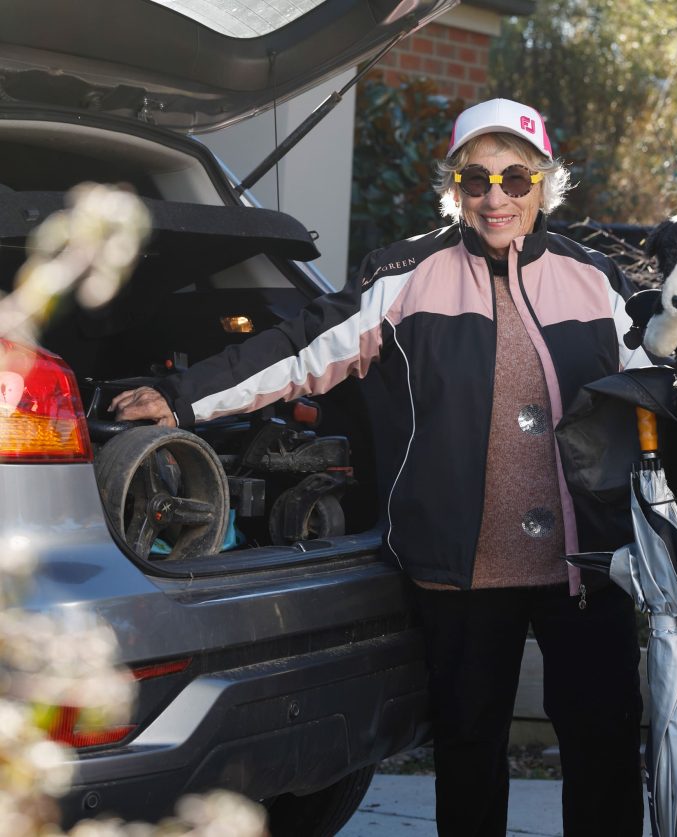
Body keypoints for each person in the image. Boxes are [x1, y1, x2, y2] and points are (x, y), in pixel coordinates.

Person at [111, 98, 649, 836]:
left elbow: (657, 390)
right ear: (453, 186)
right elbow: (300, 350)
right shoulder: (406, 274)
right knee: (467, 745)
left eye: (515, 178)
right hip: (458, 570)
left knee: (604, 744)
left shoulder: (596, 281)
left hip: (586, 563)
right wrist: (181, 399)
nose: (495, 197)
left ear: (544, 183)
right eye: (475, 178)